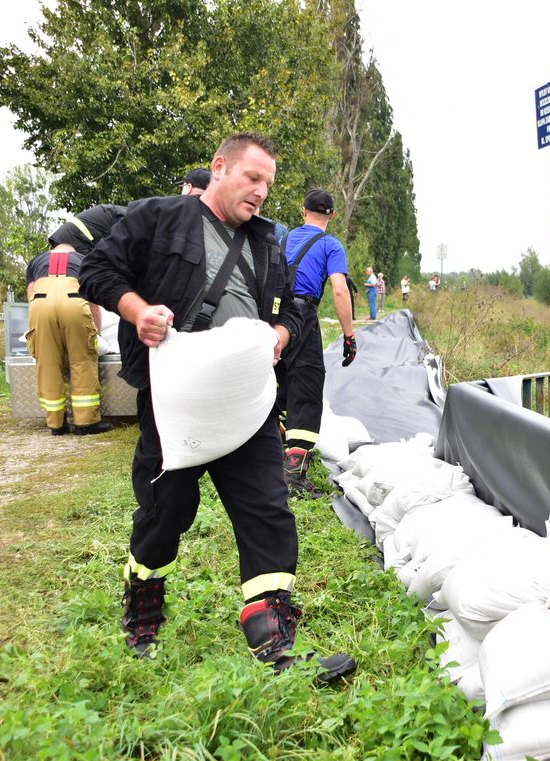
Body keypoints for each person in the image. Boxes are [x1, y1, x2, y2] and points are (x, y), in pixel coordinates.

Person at [79, 131, 355, 681]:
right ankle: (143, 610)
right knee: (166, 515)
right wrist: (138, 312)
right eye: (252, 178)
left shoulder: (268, 243)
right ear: (220, 167)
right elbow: (97, 273)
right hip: (176, 402)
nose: (260, 192)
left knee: (267, 510)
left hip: (248, 403)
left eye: (268, 185)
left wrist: (279, 333)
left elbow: (294, 306)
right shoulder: (156, 218)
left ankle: (274, 642)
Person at [278, 189, 356, 499]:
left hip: (272, 317)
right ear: (332, 216)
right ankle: (293, 475)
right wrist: (348, 336)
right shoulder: (330, 245)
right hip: (302, 316)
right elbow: (339, 290)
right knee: (306, 387)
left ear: (303, 211)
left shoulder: (281, 238)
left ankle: (268, 457)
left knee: (275, 387)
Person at [26, 204, 125, 435]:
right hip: (74, 301)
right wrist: (95, 333)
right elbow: (93, 302)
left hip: (40, 304)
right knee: (82, 361)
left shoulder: (37, 261)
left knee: (48, 363)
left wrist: (39, 327)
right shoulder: (82, 260)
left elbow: (31, 293)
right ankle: (85, 423)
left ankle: (56, 424)